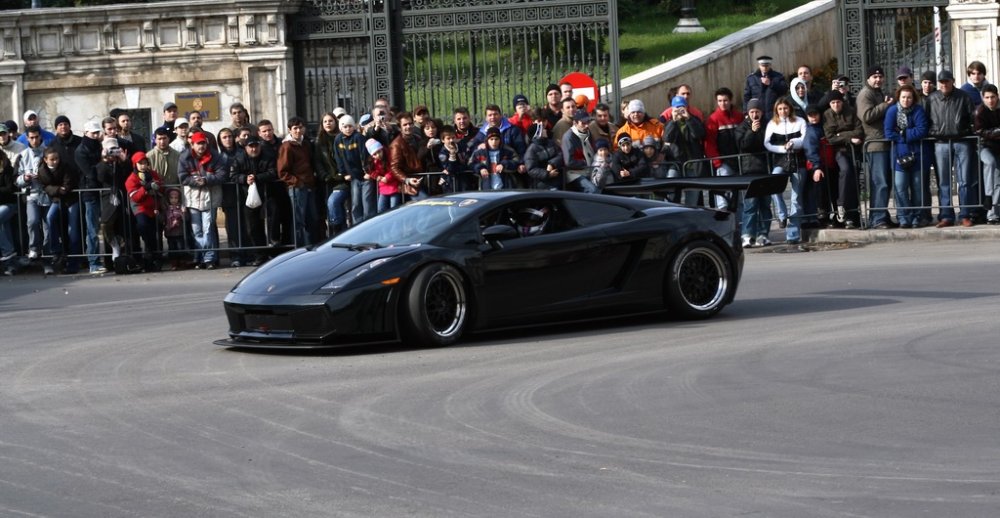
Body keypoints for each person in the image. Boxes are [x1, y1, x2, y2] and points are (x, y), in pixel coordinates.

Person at [928, 69, 979, 227]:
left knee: (964, 181)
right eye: (941, 82)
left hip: (961, 142)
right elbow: (925, 119)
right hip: (941, 143)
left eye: (947, 81)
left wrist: (965, 131)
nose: (944, 84)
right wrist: (934, 133)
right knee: (944, 182)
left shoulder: (963, 97)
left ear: (953, 81)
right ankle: (946, 215)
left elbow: (973, 118)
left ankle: (965, 214)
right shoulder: (932, 98)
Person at [884, 85, 932, 229]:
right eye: (903, 97)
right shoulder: (892, 111)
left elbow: (922, 130)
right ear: (899, 97)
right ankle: (904, 217)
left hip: (918, 155)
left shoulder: (918, 110)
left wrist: (903, 133)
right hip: (899, 155)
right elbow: (888, 132)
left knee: (918, 187)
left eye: (909, 97)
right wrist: (906, 136)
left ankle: (917, 217)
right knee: (900, 187)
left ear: (913, 98)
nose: (906, 100)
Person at [178, 131, 228, 268]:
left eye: (203, 143)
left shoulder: (215, 157)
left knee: (208, 229)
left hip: (210, 199)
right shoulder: (185, 157)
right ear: (192, 144)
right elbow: (182, 177)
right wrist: (196, 182)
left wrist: (206, 180)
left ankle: (209, 259)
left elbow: (222, 175)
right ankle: (201, 257)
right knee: (197, 231)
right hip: (192, 200)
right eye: (198, 144)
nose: (201, 146)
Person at [856, 65, 895, 229]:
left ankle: (882, 215)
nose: (878, 80)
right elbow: (866, 116)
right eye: (874, 77)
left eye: (880, 77)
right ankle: (877, 218)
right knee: (880, 183)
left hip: (885, 142)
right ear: (868, 79)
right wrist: (885, 106)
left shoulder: (879, 93)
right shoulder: (866, 94)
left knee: (886, 182)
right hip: (875, 144)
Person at [765, 97, 807, 244]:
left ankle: (793, 235)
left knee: (796, 199)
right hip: (781, 161)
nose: (783, 111)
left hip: (798, 161)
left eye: (785, 108)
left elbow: (804, 138)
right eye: (780, 109)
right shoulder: (772, 124)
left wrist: (794, 143)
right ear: (776, 110)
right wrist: (782, 148)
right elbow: (767, 143)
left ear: (790, 109)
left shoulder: (800, 121)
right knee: (774, 183)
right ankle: (782, 214)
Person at [821, 90, 864, 228]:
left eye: (838, 102)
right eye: (833, 103)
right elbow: (830, 137)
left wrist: (841, 134)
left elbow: (859, 130)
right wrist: (850, 137)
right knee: (845, 172)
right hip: (838, 152)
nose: (836, 105)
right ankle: (841, 206)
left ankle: (853, 215)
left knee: (854, 181)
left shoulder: (850, 111)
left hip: (853, 151)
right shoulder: (827, 115)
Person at [229, 136, 274, 266]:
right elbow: (233, 175)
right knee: (253, 227)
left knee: (272, 224)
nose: (254, 149)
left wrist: (258, 178)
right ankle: (260, 255)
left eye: (256, 146)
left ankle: (273, 252)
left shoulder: (267, 156)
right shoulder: (239, 158)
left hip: (268, 195)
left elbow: (273, 172)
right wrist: (244, 179)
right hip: (248, 197)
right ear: (246, 147)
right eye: (251, 146)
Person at [37, 146, 82, 274]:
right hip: (57, 199)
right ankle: (55, 250)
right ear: (46, 160)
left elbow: (67, 185)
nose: (55, 161)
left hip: (71, 200)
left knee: (72, 230)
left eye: (56, 158)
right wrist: (58, 189)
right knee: (50, 217)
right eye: (52, 159)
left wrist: (59, 189)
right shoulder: (42, 170)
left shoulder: (65, 167)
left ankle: (74, 261)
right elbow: (45, 187)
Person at [737, 98, 773, 247]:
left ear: (761, 112)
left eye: (757, 111)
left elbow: (767, 143)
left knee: (765, 204)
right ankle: (747, 235)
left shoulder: (768, 125)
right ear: (748, 113)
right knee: (750, 205)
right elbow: (744, 146)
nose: (754, 114)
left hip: (765, 169)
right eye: (752, 112)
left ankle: (763, 234)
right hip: (749, 170)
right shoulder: (742, 127)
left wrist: (759, 131)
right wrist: (752, 131)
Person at [277, 116, 318, 247]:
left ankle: (310, 247)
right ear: (290, 130)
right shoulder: (287, 146)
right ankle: (299, 248)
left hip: (309, 185)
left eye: (300, 127)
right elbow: (282, 171)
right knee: (298, 221)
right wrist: (297, 182)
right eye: (295, 128)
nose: (298, 130)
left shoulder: (305, 144)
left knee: (311, 219)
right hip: (297, 188)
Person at [663, 95, 708, 206]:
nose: (679, 111)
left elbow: (699, 134)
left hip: (692, 164)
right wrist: (673, 121)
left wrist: (689, 119)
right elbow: (667, 138)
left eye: (681, 108)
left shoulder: (694, 119)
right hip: (676, 163)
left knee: (692, 198)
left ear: (687, 108)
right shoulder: (669, 123)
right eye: (676, 109)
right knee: (671, 191)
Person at [124, 152, 164, 271]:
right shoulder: (131, 178)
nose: (143, 165)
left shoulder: (153, 174)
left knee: (155, 233)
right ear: (135, 164)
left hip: (154, 208)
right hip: (140, 208)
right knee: (143, 227)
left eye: (145, 163)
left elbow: (161, 185)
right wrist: (146, 188)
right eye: (140, 163)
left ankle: (154, 259)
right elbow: (135, 197)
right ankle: (149, 256)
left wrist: (157, 187)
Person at [705, 87, 744, 209]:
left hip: (739, 161)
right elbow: (709, 143)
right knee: (723, 200)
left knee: (740, 199)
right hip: (723, 163)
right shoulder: (713, 119)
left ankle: (739, 226)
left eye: (725, 100)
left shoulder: (739, 116)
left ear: (731, 100)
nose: (723, 103)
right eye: (720, 100)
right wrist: (717, 162)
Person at [16, 125, 49, 265]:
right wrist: (25, 178)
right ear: (27, 138)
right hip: (31, 195)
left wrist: (43, 176)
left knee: (48, 225)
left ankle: (48, 252)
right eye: (31, 138)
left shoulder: (48, 151)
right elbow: (16, 179)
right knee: (32, 221)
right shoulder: (23, 155)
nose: (34, 140)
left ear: (40, 136)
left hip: (47, 194)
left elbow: (56, 172)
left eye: (36, 137)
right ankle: (34, 248)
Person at [334, 114, 373, 224]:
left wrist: (368, 171)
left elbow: (365, 155)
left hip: (365, 176)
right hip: (353, 177)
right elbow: (338, 157)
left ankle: (369, 225)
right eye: (345, 127)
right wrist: (343, 173)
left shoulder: (359, 137)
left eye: (350, 126)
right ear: (341, 128)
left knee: (367, 202)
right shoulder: (338, 139)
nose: (348, 129)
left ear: (354, 126)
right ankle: (357, 226)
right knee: (355, 203)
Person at [315, 111, 349, 235]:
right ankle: (341, 232)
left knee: (333, 202)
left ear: (336, 122)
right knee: (333, 207)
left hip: (343, 179)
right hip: (328, 180)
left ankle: (338, 231)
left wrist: (342, 175)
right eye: (325, 121)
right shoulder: (319, 141)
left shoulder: (342, 138)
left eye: (330, 121)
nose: (328, 123)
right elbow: (318, 161)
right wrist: (324, 176)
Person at [975, 84, 1000, 224]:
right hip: (984, 147)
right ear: (983, 98)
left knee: (998, 182)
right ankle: (988, 199)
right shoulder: (980, 111)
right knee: (990, 163)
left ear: (997, 96)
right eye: (987, 98)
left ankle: (993, 214)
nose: (990, 100)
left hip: (997, 147)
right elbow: (980, 132)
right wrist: (996, 132)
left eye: (992, 97)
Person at [388, 112, 427, 199]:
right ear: (400, 127)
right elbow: (394, 167)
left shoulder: (418, 138)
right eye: (405, 124)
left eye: (410, 124)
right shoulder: (396, 144)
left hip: (423, 180)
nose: (408, 127)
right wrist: (407, 180)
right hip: (409, 186)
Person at [561, 110, 600, 194]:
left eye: (588, 122)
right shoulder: (568, 137)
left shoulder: (587, 132)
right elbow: (569, 162)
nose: (586, 125)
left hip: (590, 169)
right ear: (575, 123)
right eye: (583, 123)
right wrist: (584, 163)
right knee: (593, 190)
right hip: (575, 174)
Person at [472, 126, 520, 190]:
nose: (494, 142)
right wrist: (480, 168)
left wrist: (504, 164)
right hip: (486, 187)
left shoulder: (508, 150)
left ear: (500, 139)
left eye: (496, 139)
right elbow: (471, 164)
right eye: (491, 139)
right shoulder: (479, 152)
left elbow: (516, 160)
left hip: (505, 186)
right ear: (487, 140)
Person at [523, 118, 564, 190]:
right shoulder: (531, 151)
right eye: (542, 129)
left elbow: (560, 154)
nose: (545, 130)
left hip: (558, 181)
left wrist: (552, 164)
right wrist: (547, 174)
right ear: (539, 134)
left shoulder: (551, 143)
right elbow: (531, 169)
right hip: (543, 185)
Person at [744, 55, 788, 120]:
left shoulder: (778, 77)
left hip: (774, 113)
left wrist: (771, 83)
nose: (765, 68)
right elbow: (747, 96)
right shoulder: (751, 78)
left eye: (767, 66)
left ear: (770, 65)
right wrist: (746, 112)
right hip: (757, 114)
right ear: (759, 65)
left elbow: (784, 90)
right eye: (762, 66)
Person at [365, 138, 398, 213]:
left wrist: (387, 177)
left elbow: (393, 168)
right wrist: (377, 176)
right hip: (383, 187)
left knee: (394, 208)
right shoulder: (373, 161)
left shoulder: (389, 156)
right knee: (381, 209)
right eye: (375, 154)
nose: (378, 155)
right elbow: (370, 171)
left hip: (394, 186)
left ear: (382, 149)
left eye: (379, 152)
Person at [162, 187, 187, 269]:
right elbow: (162, 219)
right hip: (170, 233)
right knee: (172, 248)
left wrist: (183, 213)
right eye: (171, 198)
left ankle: (182, 262)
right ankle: (174, 264)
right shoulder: (166, 209)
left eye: (176, 198)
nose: (173, 200)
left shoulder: (180, 208)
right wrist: (158, 214)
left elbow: (186, 219)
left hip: (179, 232)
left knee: (180, 247)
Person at [0, 150, 17, 269]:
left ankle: (8, 251)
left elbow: (10, 188)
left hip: (8, 204)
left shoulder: (7, 170)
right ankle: (10, 263)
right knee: (5, 229)